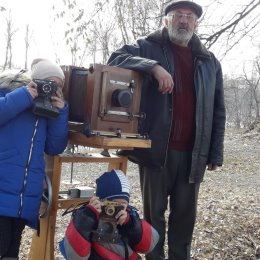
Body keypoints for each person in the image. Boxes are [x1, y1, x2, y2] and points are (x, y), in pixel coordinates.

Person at [107, 0, 226, 259]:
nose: (183, 20)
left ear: (195, 24)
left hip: (193, 154)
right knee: (153, 218)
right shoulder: (147, 47)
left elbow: (218, 109)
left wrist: (215, 152)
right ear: (166, 21)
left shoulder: (208, 61)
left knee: (185, 220)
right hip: (156, 150)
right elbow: (115, 58)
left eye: (189, 17)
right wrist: (153, 67)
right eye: (177, 15)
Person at [0, 58, 69, 260]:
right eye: (48, 83)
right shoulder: (9, 93)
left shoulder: (48, 111)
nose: (51, 89)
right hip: (3, 192)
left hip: (24, 198)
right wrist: (24, 96)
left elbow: (54, 147)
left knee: (11, 251)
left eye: (57, 86)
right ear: (34, 81)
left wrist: (61, 112)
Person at [59, 169, 159, 260]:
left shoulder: (129, 216)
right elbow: (73, 255)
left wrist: (130, 223)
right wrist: (87, 217)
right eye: (113, 204)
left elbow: (149, 244)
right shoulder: (87, 216)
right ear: (102, 201)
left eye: (123, 204)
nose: (118, 209)